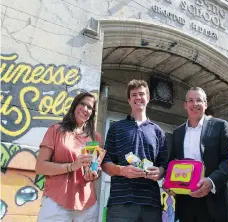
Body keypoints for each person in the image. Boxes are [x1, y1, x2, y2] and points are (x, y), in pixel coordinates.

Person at [102, 79, 167, 222]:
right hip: (121, 202)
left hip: (151, 203)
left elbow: (164, 165)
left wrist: (160, 172)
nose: (138, 98)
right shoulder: (116, 128)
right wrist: (122, 170)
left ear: (148, 98)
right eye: (134, 95)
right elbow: (105, 162)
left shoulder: (158, 132)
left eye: (142, 94)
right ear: (129, 100)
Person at [167, 87, 228, 222]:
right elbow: (171, 163)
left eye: (199, 100)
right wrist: (169, 183)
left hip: (214, 202)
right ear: (185, 105)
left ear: (205, 104)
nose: (195, 104)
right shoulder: (177, 133)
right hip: (186, 204)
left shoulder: (220, 126)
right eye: (191, 100)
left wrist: (211, 181)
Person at [35, 92, 102, 221]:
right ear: (75, 105)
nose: (85, 109)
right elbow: (40, 167)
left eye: (90, 107)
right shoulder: (56, 130)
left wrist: (93, 174)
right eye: (82, 104)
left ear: (92, 114)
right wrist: (72, 166)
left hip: (87, 205)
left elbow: (95, 167)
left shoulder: (95, 137)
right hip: (56, 201)